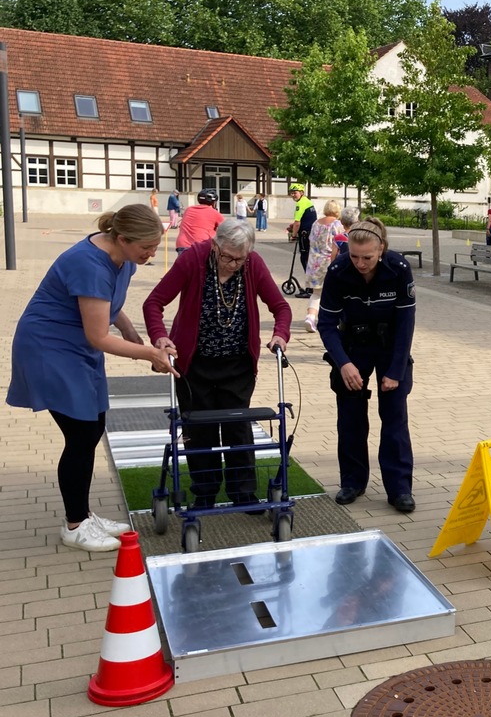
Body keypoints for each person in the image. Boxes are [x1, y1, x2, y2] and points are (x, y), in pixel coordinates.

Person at [8, 206, 177, 552]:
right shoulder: (88, 263)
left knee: (93, 426)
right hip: (49, 348)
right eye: (145, 247)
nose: (150, 254)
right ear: (122, 238)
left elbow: (110, 307)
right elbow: (98, 336)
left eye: (154, 246)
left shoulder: (125, 259)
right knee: (81, 433)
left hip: (76, 346)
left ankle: (83, 515)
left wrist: (138, 339)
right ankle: (74, 525)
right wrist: (147, 355)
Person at [144, 220, 291, 511]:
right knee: (200, 430)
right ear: (215, 246)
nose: (233, 264)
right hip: (194, 364)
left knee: (237, 427)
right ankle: (205, 492)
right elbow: (154, 303)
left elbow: (281, 307)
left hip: (237, 365)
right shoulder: (194, 259)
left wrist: (280, 335)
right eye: (227, 257)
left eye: (240, 258)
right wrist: (160, 338)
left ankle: (243, 493)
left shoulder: (253, 264)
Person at [317, 218, 417, 513]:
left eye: (368, 257)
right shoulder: (338, 271)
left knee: (395, 418)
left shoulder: (398, 268)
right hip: (353, 347)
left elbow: (406, 323)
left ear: (381, 249)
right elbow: (326, 324)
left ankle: (399, 489)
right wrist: (343, 363)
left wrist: (396, 371)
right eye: (354, 256)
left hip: (390, 348)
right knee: (350, 417)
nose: (360, 263)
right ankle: (352, 481)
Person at [302, 199, 345, 331]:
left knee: (316, 293)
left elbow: (311, 241)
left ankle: (310, 317)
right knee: (334, 292)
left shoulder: (316, 223)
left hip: (314, 261)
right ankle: (333, 318)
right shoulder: (337, 224)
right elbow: (340, 242)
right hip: (328, 261)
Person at [175, 188, 224, 254]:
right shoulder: (215, 213)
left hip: (183, 245)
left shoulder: (189, 210)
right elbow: (226, 229)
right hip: (201, 245)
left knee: (184, 264)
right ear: (214, 202)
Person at [287, 186, 317, 274]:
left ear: (301, 193)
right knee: (309, 257)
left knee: (304, 258)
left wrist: (293, 235)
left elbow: (297, 223)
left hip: (305, 234)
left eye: (295, 193)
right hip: (312, 232)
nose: (293, 195)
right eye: (291, 193)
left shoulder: (300, 204)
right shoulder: (307, 201)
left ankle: (310, 282)